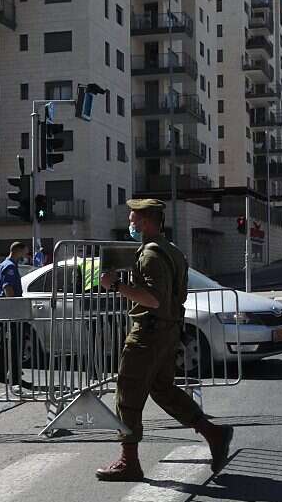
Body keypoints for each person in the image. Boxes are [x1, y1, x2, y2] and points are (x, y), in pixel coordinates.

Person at [95, 199, 233, 482]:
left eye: (133, 219)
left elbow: (153, 299)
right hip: (167, 331)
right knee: (163, 390)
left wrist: (117, 286)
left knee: (128, 395)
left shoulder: (151, 255)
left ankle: (128, 462)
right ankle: (213, 433)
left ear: (146, 222)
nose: (130, 224)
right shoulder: (171, 251)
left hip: (148, 333)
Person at [0, 241, 34, 392]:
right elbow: (8, 288)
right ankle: (13, 378)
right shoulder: (9, 266)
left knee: (7, 343)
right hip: (11, 310)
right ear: (19, 250)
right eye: (25, 251)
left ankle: (1, 376)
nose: (26, 254)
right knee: (15, 344)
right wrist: (14, 306)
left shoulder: (6, 264)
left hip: (7, 310)